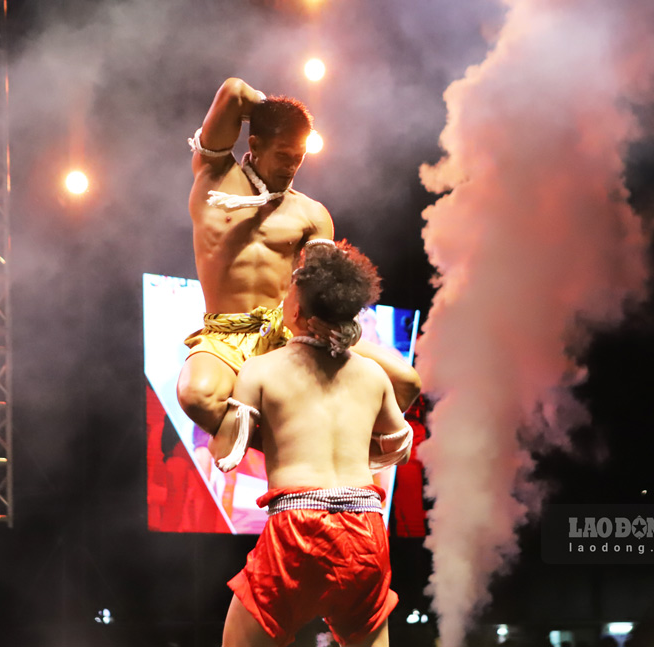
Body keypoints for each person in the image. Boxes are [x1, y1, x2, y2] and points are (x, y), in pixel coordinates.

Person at [179, 78, 420, 442]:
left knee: (407, 382)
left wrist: (342, 326)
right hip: (225, 337)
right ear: (255, 144)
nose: (292, 166)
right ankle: (285, 448)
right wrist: (268, 112)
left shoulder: (311, 214)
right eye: (282, 155)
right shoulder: (214, 176)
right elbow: (231, 91)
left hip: (287, 333)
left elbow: (325, 283)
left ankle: (343, 447)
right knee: (197, 396)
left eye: (299, 156)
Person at [210, 242, 412, 647]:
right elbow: (400, 446)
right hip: (366, 531)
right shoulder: (373, 375)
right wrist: (358, 451)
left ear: (298, 311)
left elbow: (225, 455)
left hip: (298, 528)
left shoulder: (262, 369)